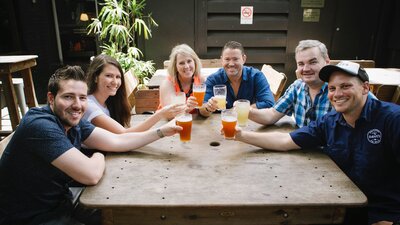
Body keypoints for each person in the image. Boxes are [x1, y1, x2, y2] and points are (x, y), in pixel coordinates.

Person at [0, 66, 182, 225]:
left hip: (61, 202)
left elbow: (118, 140)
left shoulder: (74, 121)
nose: (77, 105)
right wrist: (99, 155)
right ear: (51, 98)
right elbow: (91, 175)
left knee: (133, 216)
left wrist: (161, 132)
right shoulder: (40, 126)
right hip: (29, 216)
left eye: (82, 97)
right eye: (68, 97)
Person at [234, 61, 400, 225]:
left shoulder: (392, 119)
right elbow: (285, 140)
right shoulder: (329, 122)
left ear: (365, 88)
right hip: (342, 207)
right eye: (332, 88)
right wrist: (241, 135)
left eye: (345, 86)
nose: (337, 94)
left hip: (386, 211)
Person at [83, 54, 184, 133]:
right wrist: (160, 114)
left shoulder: (108, 101)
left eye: (118, 77)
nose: (115, 82)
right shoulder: (90, 106)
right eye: (109, 76)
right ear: (95, 77)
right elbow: (124, 134)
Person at [249, 39, 332, 128]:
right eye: (301, 64)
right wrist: (246, 110)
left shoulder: (337, 91)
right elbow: (272, 114)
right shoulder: (297, 87)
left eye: (313, 62)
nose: (306, 69)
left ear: (327, 62)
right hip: (299, 140)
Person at [199, 41, 275, 117]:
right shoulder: (213, 79)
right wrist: (208, 108)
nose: (231, 64)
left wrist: (239, 109)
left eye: (235, 59)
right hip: (219, 124)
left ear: (244, 59)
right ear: (221, 60)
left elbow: (269, 103)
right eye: (227, 59)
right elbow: (202, 109)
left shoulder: (256, 76)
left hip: (249, 124)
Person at [159, 44, 205, 114]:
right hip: (167, 123)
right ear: (175, 66)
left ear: (195, 62)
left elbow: (203, 107)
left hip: (193, 122)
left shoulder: (200, 79)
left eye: (189, 61)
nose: (186, 66)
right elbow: (169, 114)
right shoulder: (168, 83)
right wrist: (187, 108)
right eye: (181, 63)